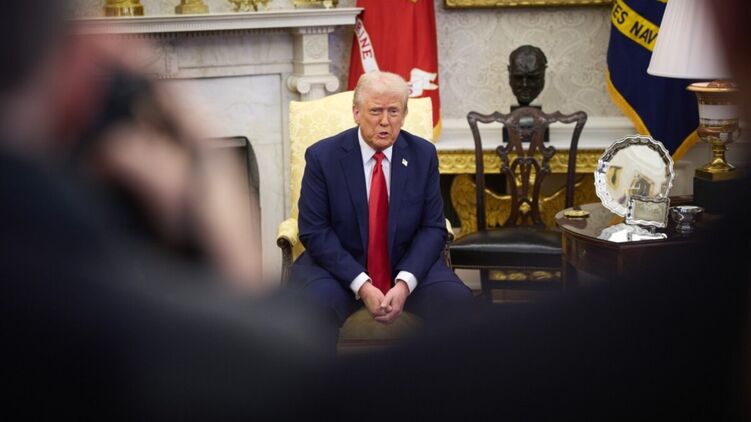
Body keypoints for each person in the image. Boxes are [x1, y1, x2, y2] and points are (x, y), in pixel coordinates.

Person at [290, 71, 473, 333]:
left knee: (456, 301)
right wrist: (362, 284)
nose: (385, 121)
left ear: (404, 115)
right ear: (356, 113)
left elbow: (432, 228)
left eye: (394, 111)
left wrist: (405, 283)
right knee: (315, 305)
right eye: (376, 111)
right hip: (338, 269)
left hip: (406, 263)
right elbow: (314, 230)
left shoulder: (423, 155)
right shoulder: (323, 157)